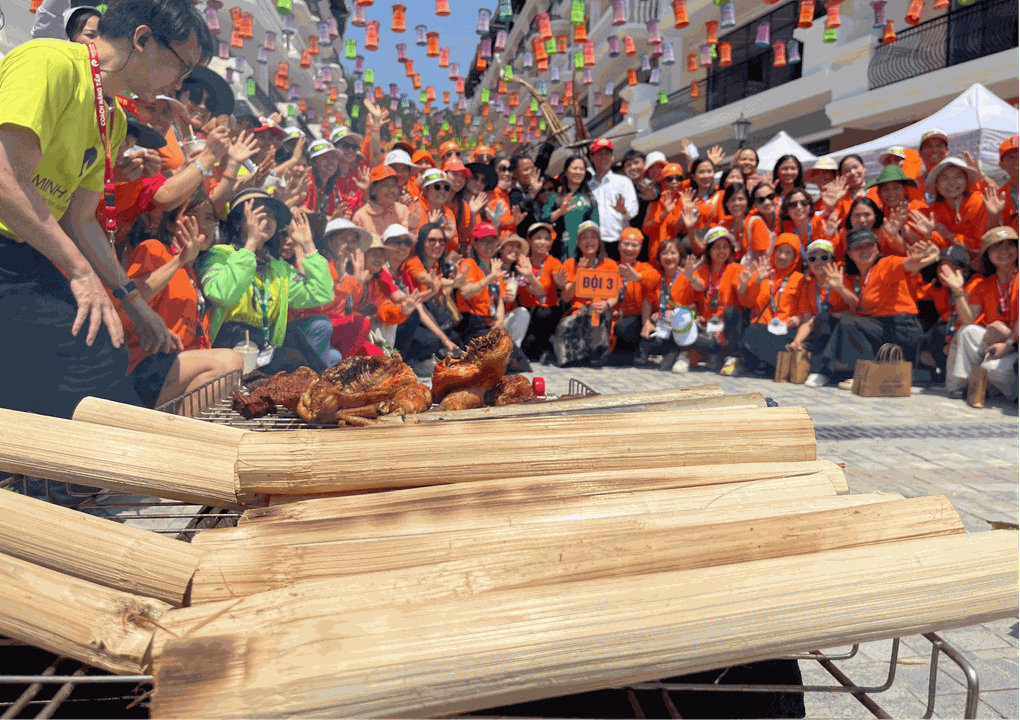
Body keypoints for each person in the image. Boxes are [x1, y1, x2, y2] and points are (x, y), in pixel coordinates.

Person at [0, 0, 213, 418]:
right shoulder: (50, 61)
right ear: (143, 39)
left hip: (25, 250)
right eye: (181, 68)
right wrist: (81, 273)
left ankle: (48, 475)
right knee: (86, 357)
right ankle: (77, 479)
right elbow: (5, 178)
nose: (179, 84)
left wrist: (133, 301)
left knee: (103, 347)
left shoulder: (112, 119)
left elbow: (81, 219)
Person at [120, 192, 243, 408]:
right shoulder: (154, 249)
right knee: (230, 362)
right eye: (194, 215)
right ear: (171, 224)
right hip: (143, 366)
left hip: (176, 371)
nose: (203, 224)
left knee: (226, 378)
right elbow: (128, 300)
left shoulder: (193, 274)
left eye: (209, 218)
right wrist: (178, 260)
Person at [201, 188, 334, 372]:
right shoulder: (219, 255)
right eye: (258, 214)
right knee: (293, 359)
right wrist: (250, 244)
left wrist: (308, 245)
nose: (266, 220)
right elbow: (224, 294)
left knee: (312, 330)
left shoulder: (278, 268)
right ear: (239, 223)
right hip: (225, 351)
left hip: (264, 352)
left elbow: (322, 294)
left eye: (271, 215)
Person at [803, 227, 939, 388]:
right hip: (878, 326)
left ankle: (858, 375)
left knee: (850, 324)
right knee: (824, 319)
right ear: (850, 253)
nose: (864, 250)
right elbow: (860, 308)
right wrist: (840, 289)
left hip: (901, 329)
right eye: (858, 247)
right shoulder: (857, 277)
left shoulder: (887, 263)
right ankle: (820, 371)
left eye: (868, 245)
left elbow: (910, 264)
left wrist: (931, 254)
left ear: (877, 248)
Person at [944, 227, 1019, 405]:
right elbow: (969, 320)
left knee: (991, 369)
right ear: (988, 255)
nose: (1004, 252)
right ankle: (963, 386)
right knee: (968, 331)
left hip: (1014, 345)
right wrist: (958, 292)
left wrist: (1008, 343)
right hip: (998, 341)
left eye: (1009, 246)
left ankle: (1005, 392)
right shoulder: (984, 285)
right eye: (996, 248)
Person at [287, 217, 377, 360]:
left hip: (336, 332)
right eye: (344, 239)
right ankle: (340, 369)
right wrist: (350, 279)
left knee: (375, 353)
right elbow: (320, 305)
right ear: (329, 243)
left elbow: (350, 308)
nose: (349, 245)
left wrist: (356, 280)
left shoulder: (352, 272)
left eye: (353, 240)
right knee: (360, 324)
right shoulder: (318, 265)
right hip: (315, 328)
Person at [734, 234, 805, 377]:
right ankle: (777, 364)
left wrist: (797, 319)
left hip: (784, 330)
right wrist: (757, 282)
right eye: (779, 251)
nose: (782, 257)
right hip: (761, 328)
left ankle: (772, 363)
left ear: (795, 256)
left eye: (788, 252)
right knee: (751, 333)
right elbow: (746, 304)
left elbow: (803, 310)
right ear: (773, 252)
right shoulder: (762, 273)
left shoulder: (799, 279)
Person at [552, 220, 619, 367]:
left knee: (599, 315)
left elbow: (615, 295)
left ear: (599, 241)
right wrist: (579, 276)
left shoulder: (610, 265)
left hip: (601, 312)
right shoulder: (570, 264)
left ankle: (597, 352)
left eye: (593, 237)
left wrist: (607, 304)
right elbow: (565, 296)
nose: (589, 241)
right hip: (578, 312)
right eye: (584, 237)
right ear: (578, 242)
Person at [789, 240, 851, 383]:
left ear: (833, 260)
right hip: (820, 329)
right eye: (812, 258)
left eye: (824, 257)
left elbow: (857, 309)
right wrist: (796, 342)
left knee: (823, 319)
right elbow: (807, 321)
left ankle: (821, 371)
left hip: (843, 329)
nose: (818, 262)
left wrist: (840, 289)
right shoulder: (808, 285)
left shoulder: (843, 277)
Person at [915, 245, 979, 381]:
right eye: (941, 267)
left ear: (964, 271)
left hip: (967, 332)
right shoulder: (938, 286)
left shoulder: (975, 283)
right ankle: (939, 371)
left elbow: (967, 318)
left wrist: (957, 290)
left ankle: (949, 373)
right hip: (944, 331)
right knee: (918, 341)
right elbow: (914, 293)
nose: (944, 271)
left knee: (941, 331)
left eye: (951, 267)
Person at [637, 237, 701, 372]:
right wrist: (646, 322)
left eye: (673, 253)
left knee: (679, 315)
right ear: (659, 257)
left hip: (684, 324)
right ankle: (671, 352)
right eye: (664, 253)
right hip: (665, 324)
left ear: (680, 255)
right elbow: (647, 301)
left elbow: (700, 287)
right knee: (647, 342)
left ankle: (685, 354)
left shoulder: (686, 275)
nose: (669, 257)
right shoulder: (658, 278)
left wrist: (691, 277)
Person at [689, 226, 747, 372]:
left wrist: (745, 285)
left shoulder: (736, 269)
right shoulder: (701, 272)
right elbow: (698, 286)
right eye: (716, 247)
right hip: (708, 328)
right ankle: (714, 354)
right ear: (708, 250)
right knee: (684, 326)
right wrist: (690, 277)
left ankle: (732, 357)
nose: (721, 251)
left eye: (725, 247)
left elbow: (741, 292)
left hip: (728, 327)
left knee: (732, 312)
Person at [611, 227, 660, 363]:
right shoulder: (611, 266)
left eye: (634, 245)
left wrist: (638, 276)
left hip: (635, 320)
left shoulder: (644, 267)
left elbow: (655, 279)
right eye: (626, 244)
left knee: (624, 328)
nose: (629, 248)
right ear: (619, 246)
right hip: (614, 317)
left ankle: (640, 348)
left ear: (640, 249)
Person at [517, 222, 563, 363]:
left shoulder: (553, 262)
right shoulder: (522, 262)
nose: (543, 242)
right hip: (526, 312)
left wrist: (561, 283)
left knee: (544, 314)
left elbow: (543, 291)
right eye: (538, 238)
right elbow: (521, 289)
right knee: (529, 345)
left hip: (546, 315)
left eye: (546, 239)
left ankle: (546, 346)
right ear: (529, 240)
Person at [454, 222, 507, 344]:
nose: (489, 245)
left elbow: (499, 300)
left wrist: (500, 321)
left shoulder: (495, 267)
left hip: (491, 323)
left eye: (493, 241)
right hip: (472, 324)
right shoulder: (468, 263)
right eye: (485, 241)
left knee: (516, 358)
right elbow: (466, 292)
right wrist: (490, 278)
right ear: (475, 244)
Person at [926, 157, 988, 258]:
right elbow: (942, 246)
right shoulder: (936, 210)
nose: (951, 182)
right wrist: (929, 235)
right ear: (936, 185)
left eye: (958, 177)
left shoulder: (979, 203)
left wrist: (950, 235)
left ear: (966, 181)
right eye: (944, 178)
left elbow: (980, 247)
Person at [541, 154, 599, 262]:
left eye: (581, 169)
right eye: (574, 168)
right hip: (558, 249)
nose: (578, 172)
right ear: (566, 172)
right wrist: (560, 211)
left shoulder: (590, 199)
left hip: (582, 252)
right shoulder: (555, 197)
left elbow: (595, 226)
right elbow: (543, 218)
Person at [588, 138, 638, 259]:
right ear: (592, 157)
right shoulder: (587, 186)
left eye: (607, 153)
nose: (604, 157)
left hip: (619, 242)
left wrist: (623, 211)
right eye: (600, 154)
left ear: (613, 157)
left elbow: (633, 211)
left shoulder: (624, 182)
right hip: (594, 243)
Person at [496, 234, 541, 352]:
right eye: (510, 245)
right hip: (488, 319)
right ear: (501, 248)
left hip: (505, 320)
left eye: (518, 247)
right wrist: (501, 296)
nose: (515, 249)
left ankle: (512, 354)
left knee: (523, 312)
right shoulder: (490, 266)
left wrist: (530, 275)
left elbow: (538, 294)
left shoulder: (518, 274)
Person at [642, 163, 687, 264]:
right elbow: (646, 230)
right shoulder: (655, 200)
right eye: (670, 179)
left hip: (675, 255)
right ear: (663, 182)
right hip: (656, 255)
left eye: (678, 178)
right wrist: (664, 214)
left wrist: (684, 214)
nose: (675, 182)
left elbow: (677, 231)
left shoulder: (684, 199)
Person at [352, 164, 410, 241]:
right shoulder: (360, 216)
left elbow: (408, 243)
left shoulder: (402, 210)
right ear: (373, 189)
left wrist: (413, 227)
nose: (391, 190)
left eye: (394, 185)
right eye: (386, 185)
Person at [987, 136, 1018, 233]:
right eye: (1010, 157)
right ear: (1001, 165)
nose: (1017, 160)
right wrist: (994, 216)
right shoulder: (1000, 196)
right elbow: (996, 234)